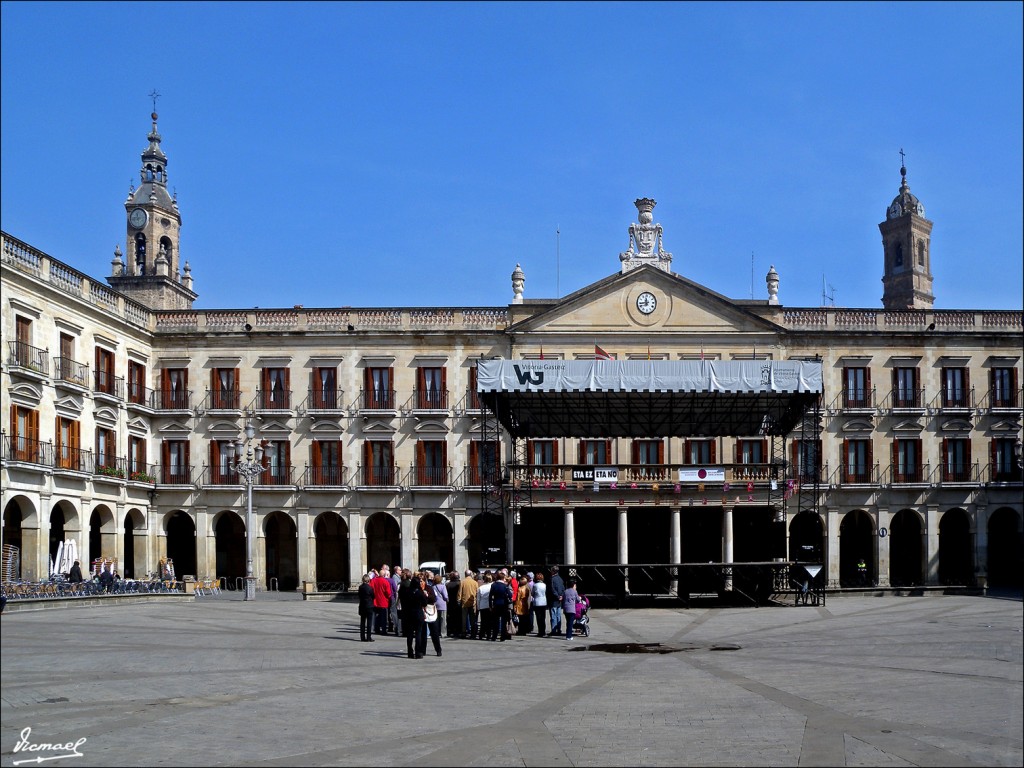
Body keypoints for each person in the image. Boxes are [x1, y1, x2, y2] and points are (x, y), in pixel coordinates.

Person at [398, 569, 425, 659]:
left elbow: (404, 602)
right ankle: (418, 652)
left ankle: (410, 651)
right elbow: (425, 603)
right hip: (418, 614)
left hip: (409, 614)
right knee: (418, 633)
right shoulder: (420, 592)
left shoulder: (407, 592)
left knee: (409, 634)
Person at [420, 574, 443, 658]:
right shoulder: (418, 589)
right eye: (419, 581)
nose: (421, 583)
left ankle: (438, 649)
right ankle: (423, 650)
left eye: (422, 581)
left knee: (434, 632)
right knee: (423, 633)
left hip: (430, 611)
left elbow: (434, 599)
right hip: (422, 612)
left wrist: (427, 595)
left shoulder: (429, 588)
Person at [490, 571, 514, 641]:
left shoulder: (493, 585)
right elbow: (510, 595)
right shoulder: (505, 586)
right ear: (503, 578)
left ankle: (494, 636)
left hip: (496, 604)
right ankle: (502, 637)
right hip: (504, 605)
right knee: (503, 621)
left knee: (495, 621)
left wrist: (490, 606)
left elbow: (490, 596)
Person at [457, 569, 479, 639]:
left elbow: (459, 592)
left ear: (465, 574)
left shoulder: (462, 582)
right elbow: (477, 593)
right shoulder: (475, 583)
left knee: (464, 619)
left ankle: (464, 633)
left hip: (464, 603)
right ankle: (473, 633)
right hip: (473, 603)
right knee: (473, 619)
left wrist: (458, 600)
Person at [371, 568, 392, 635]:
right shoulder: (385, 581)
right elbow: (388, 593)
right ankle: (383, 630)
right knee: (384, 617)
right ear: (384, 575)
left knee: (377, 616)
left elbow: (371, 589)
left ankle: (377, 629)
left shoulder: (373, 581)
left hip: (376, 601)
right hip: (384, 602)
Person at [357, 573, 375, 642]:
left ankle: (362, 637)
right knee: (369, 622)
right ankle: (368, 637)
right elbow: (373, 596)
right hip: (369, 606)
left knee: (362, 622)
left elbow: (359, 595)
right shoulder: (370, 588)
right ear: (368, 580)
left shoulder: (360, 587)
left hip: (362, 606)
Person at [549, 565, 566, 635]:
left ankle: (553, 630)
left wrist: (557, 596)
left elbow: (552, 589)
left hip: (553, 600)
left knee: (553, 615)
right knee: (558, 615)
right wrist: (561, 596)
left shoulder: (552, 579)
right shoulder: (560, 579)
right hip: (559, 600)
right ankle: (559, 629)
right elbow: (563, 588)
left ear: (553, 571)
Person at [515, 572, 532, 637]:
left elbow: (518, 598)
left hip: (520, 604)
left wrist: (515, 606)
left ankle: (520, 630)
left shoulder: (520, 588)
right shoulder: (527, 588)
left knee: (521, 619)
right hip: (525, 604)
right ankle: (524, 630)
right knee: (524, 618)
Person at [432, 574, 449, 638]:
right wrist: (447, 600)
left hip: (435, 604)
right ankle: (443, 633)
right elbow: (445, 596)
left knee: (436, 619)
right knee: (443, 619)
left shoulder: (433, 586)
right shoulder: (443, 586)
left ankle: (436, 632)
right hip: (442, 604)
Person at [445, 571, 462, 638]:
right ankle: (458, 631)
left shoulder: (448, 585)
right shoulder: (460, 584)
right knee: (458, 618)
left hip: (450, 604)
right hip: (458, 603)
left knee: (451, 618)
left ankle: (451, 631)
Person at [477, 572, 494, 640]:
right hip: (490, 606)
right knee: (489, 621)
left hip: (482, 605)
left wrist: (478, 607)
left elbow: (478, 599)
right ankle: (489, 635)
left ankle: (481, 634)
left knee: (483, 621)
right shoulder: (492, 586)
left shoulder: (481, 588)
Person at [531, 572, 548, 637]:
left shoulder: (535, 585)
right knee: (543, 617)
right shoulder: (544, 585)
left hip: (537, 602)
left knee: (538, 617)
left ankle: (540, 631)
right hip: (543, 601)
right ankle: (543, 631)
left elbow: (532, 593)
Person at [389, 564, 402, 635]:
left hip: (396, 597)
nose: (401, 571)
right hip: (396, 598)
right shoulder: (395, 577)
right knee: (395, 614)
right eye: (400, 570)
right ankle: (397, 628)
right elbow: (395, 588)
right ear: (396, 571)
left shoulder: (397, 577)